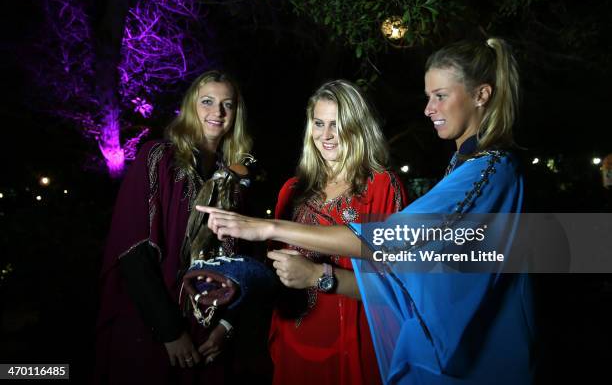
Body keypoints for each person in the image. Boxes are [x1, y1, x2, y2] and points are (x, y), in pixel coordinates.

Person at [198, 38, 534, 385]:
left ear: (481, 95)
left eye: (441, 95)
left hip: (455, 355)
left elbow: (397, 249)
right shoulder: (466, 165)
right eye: (318, 123)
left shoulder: (491, 169)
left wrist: (273, 232)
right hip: (299, 345)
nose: (428, 108)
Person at [95, 70, 255, 385]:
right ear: (191, 106)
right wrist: (170, 332)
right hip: (155, 325)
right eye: (207, 101)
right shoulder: (158, 158)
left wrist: (225, 327)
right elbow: (132, 250)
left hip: (209, 328)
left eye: (228, 104)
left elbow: (243, 263)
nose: (218, 112)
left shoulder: (234, 180)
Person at [266, 80, 407, 385]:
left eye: (337, 124)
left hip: (353, 346)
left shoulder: (381, 185)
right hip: (295, 339)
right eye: (319, 123)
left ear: (357, 127)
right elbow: (275, 267)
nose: (326, 135)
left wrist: (320, 274)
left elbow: (395, 285)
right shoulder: (292, 190)